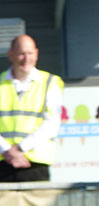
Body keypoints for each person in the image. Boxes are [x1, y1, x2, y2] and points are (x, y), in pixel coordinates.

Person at [0, 34, 64, 183]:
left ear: (36, 54)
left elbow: (52, 124)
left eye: (30, 53)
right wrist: (6, 150)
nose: (26, 58)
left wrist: (20, 149)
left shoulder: (50, 82)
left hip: (35, 164)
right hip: (3, 162)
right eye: (21, 53)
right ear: (11, 55)